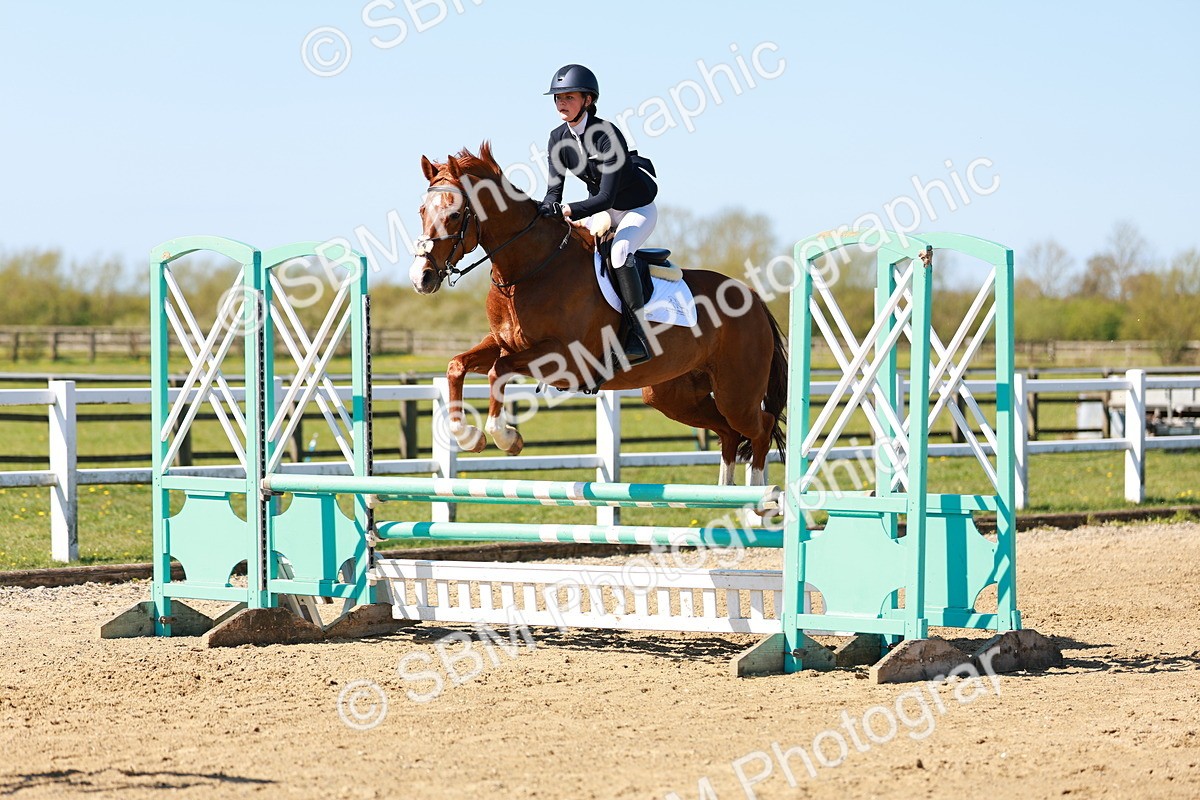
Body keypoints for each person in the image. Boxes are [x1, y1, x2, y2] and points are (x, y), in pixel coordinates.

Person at [538, 64, 659, 366]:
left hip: (636, 209)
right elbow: (554, 194)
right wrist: (539, 215)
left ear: (588, 100)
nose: (561, 103)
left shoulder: (606, 135)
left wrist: (567, 211)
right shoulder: (556, 138)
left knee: (619, 253)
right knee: (573, 251)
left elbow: (605, 196)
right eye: (557, 98)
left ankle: (639, 337)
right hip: (603, 211)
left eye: (568, 97)